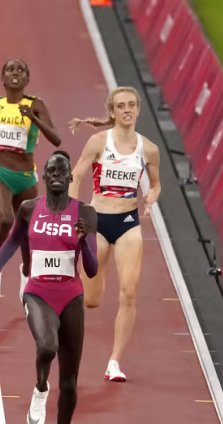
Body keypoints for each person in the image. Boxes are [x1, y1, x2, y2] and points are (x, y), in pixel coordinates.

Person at [0, 150, 99, 424]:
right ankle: (40, 388)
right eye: (51, 169)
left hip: (70, 295)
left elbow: (92, 269)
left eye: (63, 170)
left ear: (71, 177)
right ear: (44, 176)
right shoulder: (29, 209)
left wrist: (84, 242)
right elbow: (12, 244)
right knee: (46, 347)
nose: (57, 173)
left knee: (69, 385)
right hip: (38, 292)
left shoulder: (85, 212)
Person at [67, 86, 161, 382]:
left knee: (129, 293)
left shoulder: (148, 149)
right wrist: (72, 212)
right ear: (112, 111)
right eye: (121, 106)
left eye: (132, 105)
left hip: (128, 223)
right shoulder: (98, 142)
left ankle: (114, 362)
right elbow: (76, 176)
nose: (127, 110)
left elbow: (156, 184)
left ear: (138, 109)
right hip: (97, 221)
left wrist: (152, 197)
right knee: (92, 300)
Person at [0, 58, 62, 304]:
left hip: (26, 178)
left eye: (20, 70)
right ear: (2, 78)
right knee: (6, 219)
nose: (15, 72)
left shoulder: (36, 105)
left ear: (27, 79)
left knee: (28, 234)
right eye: (10, 69)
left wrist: (33, 116)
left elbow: (56, 139)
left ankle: (25, 275)